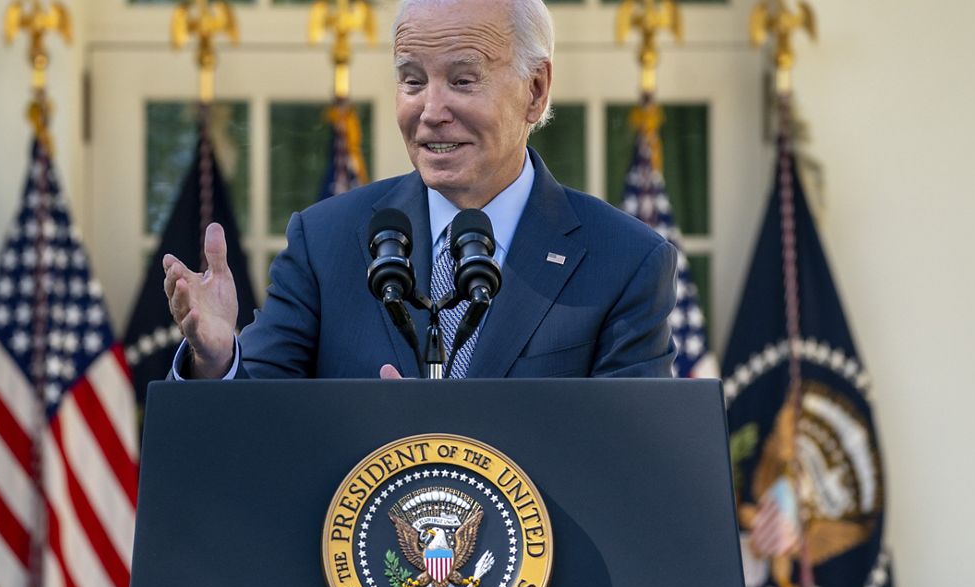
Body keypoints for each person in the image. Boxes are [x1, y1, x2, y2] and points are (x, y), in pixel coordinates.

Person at [162, 0, 677, 380]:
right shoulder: (326, 241)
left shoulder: (625, 262)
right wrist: (218, 359)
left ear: (536, 91)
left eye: (463, 80)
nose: (430, 111)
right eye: (412, 81)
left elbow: (624, 461)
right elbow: (258, 421)